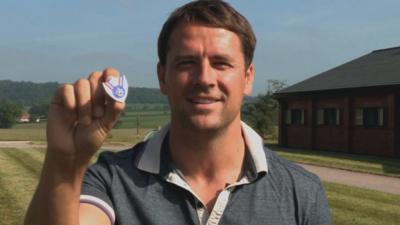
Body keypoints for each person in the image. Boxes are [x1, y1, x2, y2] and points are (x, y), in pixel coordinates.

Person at [24, 1, 331, 225]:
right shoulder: (110, 181)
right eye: (186, 63)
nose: (205, 79)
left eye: (221, 63)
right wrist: (65, 163)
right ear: (162, 77)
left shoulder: (301, 193)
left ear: (248, 78)